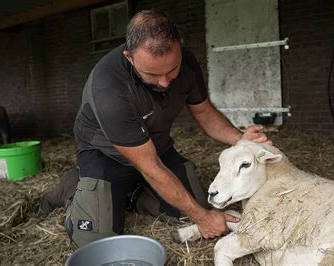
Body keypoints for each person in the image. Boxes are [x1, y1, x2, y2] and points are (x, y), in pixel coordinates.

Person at [42, 9, 271, 249]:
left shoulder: (188, 62)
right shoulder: (108, 86)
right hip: (106, 155)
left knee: (197, 205)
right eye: (152, 74)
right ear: (129, 57)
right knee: (96, 242)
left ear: (179, 47)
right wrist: (203, 219)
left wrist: (241, 139)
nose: (164, 82)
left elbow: (203, 111)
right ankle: (74, 188)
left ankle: (132, 195)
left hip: (156, 147)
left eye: (172, 70)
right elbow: (150, 167)